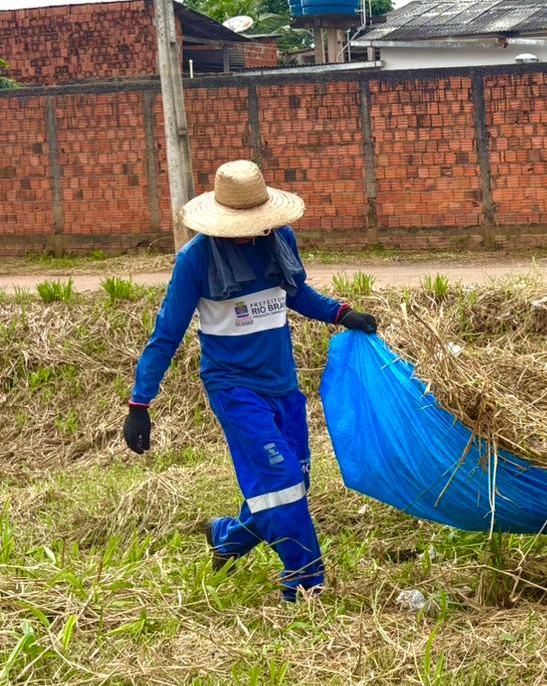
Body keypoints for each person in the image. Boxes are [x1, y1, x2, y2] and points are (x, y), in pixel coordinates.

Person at [123, 160, 378, 600]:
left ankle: (229, 536)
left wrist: (341, 314)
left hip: (282, 384)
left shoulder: (280, 240)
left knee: (294, 481)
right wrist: (139, 404)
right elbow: (166, 334)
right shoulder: (196, 260)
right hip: (234, 388)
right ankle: (305, 581)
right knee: (278, 483)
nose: (247, 232)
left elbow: (296, 292)